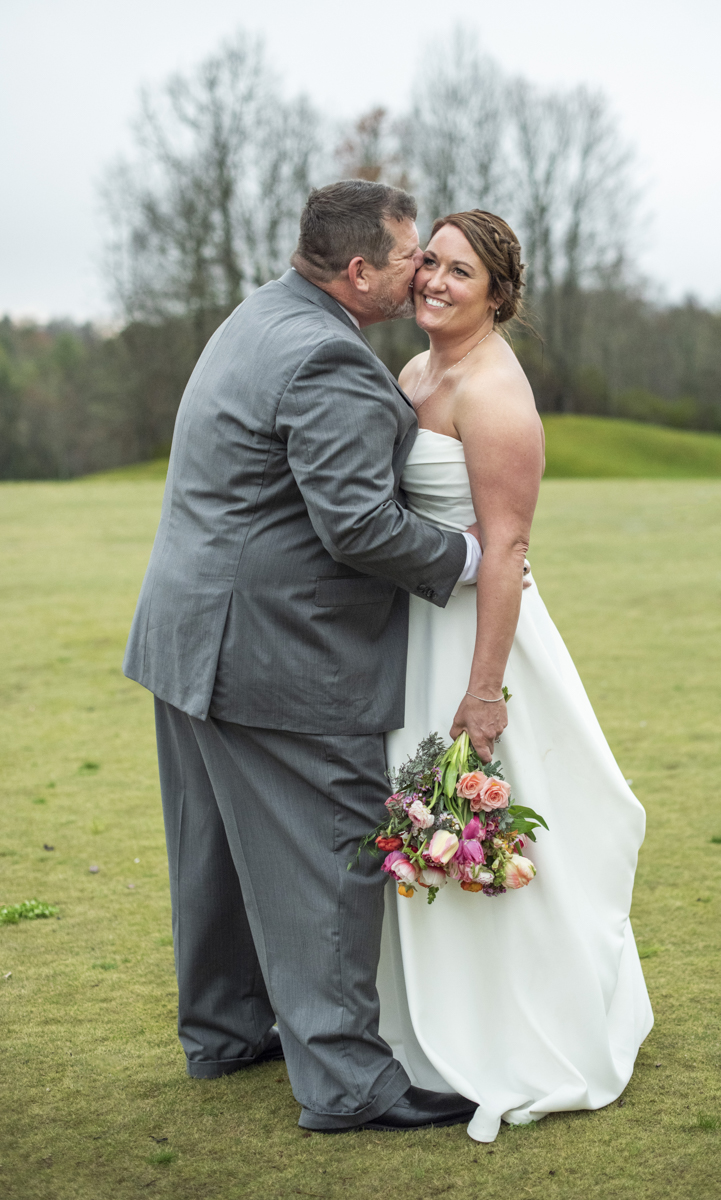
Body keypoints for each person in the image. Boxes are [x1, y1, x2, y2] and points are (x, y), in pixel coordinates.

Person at [122, 180, 484, 1133]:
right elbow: (358, 524)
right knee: (329, 854)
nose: (422, 271)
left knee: (215, 852)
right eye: (410, 256)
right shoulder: (328, 356)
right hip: (279, 653)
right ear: (360, 271)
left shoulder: (259, 315)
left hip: (188, 634)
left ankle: (229, 1032)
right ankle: (349, 1086)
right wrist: (468, 557)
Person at [376, 210, 654, 1143]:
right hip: (418, 626)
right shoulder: (419, 369)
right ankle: (418, 1022)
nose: (435, 282)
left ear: (498, 294)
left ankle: (516, 1029)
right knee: (419, 817)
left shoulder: (495, 393)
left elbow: (506, 548)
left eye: (460, 273)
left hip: (476, 639)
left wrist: (483, 689)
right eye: (430, 264)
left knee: (486, 817)